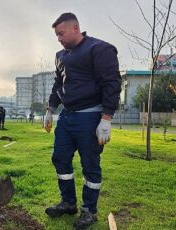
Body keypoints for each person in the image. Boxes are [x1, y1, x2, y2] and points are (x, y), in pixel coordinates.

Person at [44, 13, 121, 229]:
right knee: (60, 159)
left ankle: (89, 211)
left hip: (91, 116)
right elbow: (57, 85)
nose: (58, 38)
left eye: (61, 33)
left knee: (90, 164)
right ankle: (68, 203)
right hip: (67, 117)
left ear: (75, 28)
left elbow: (112, 84)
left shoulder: (99, 49)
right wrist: (50, 109)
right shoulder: (60, 55)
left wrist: (106, 118)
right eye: (56, 35)